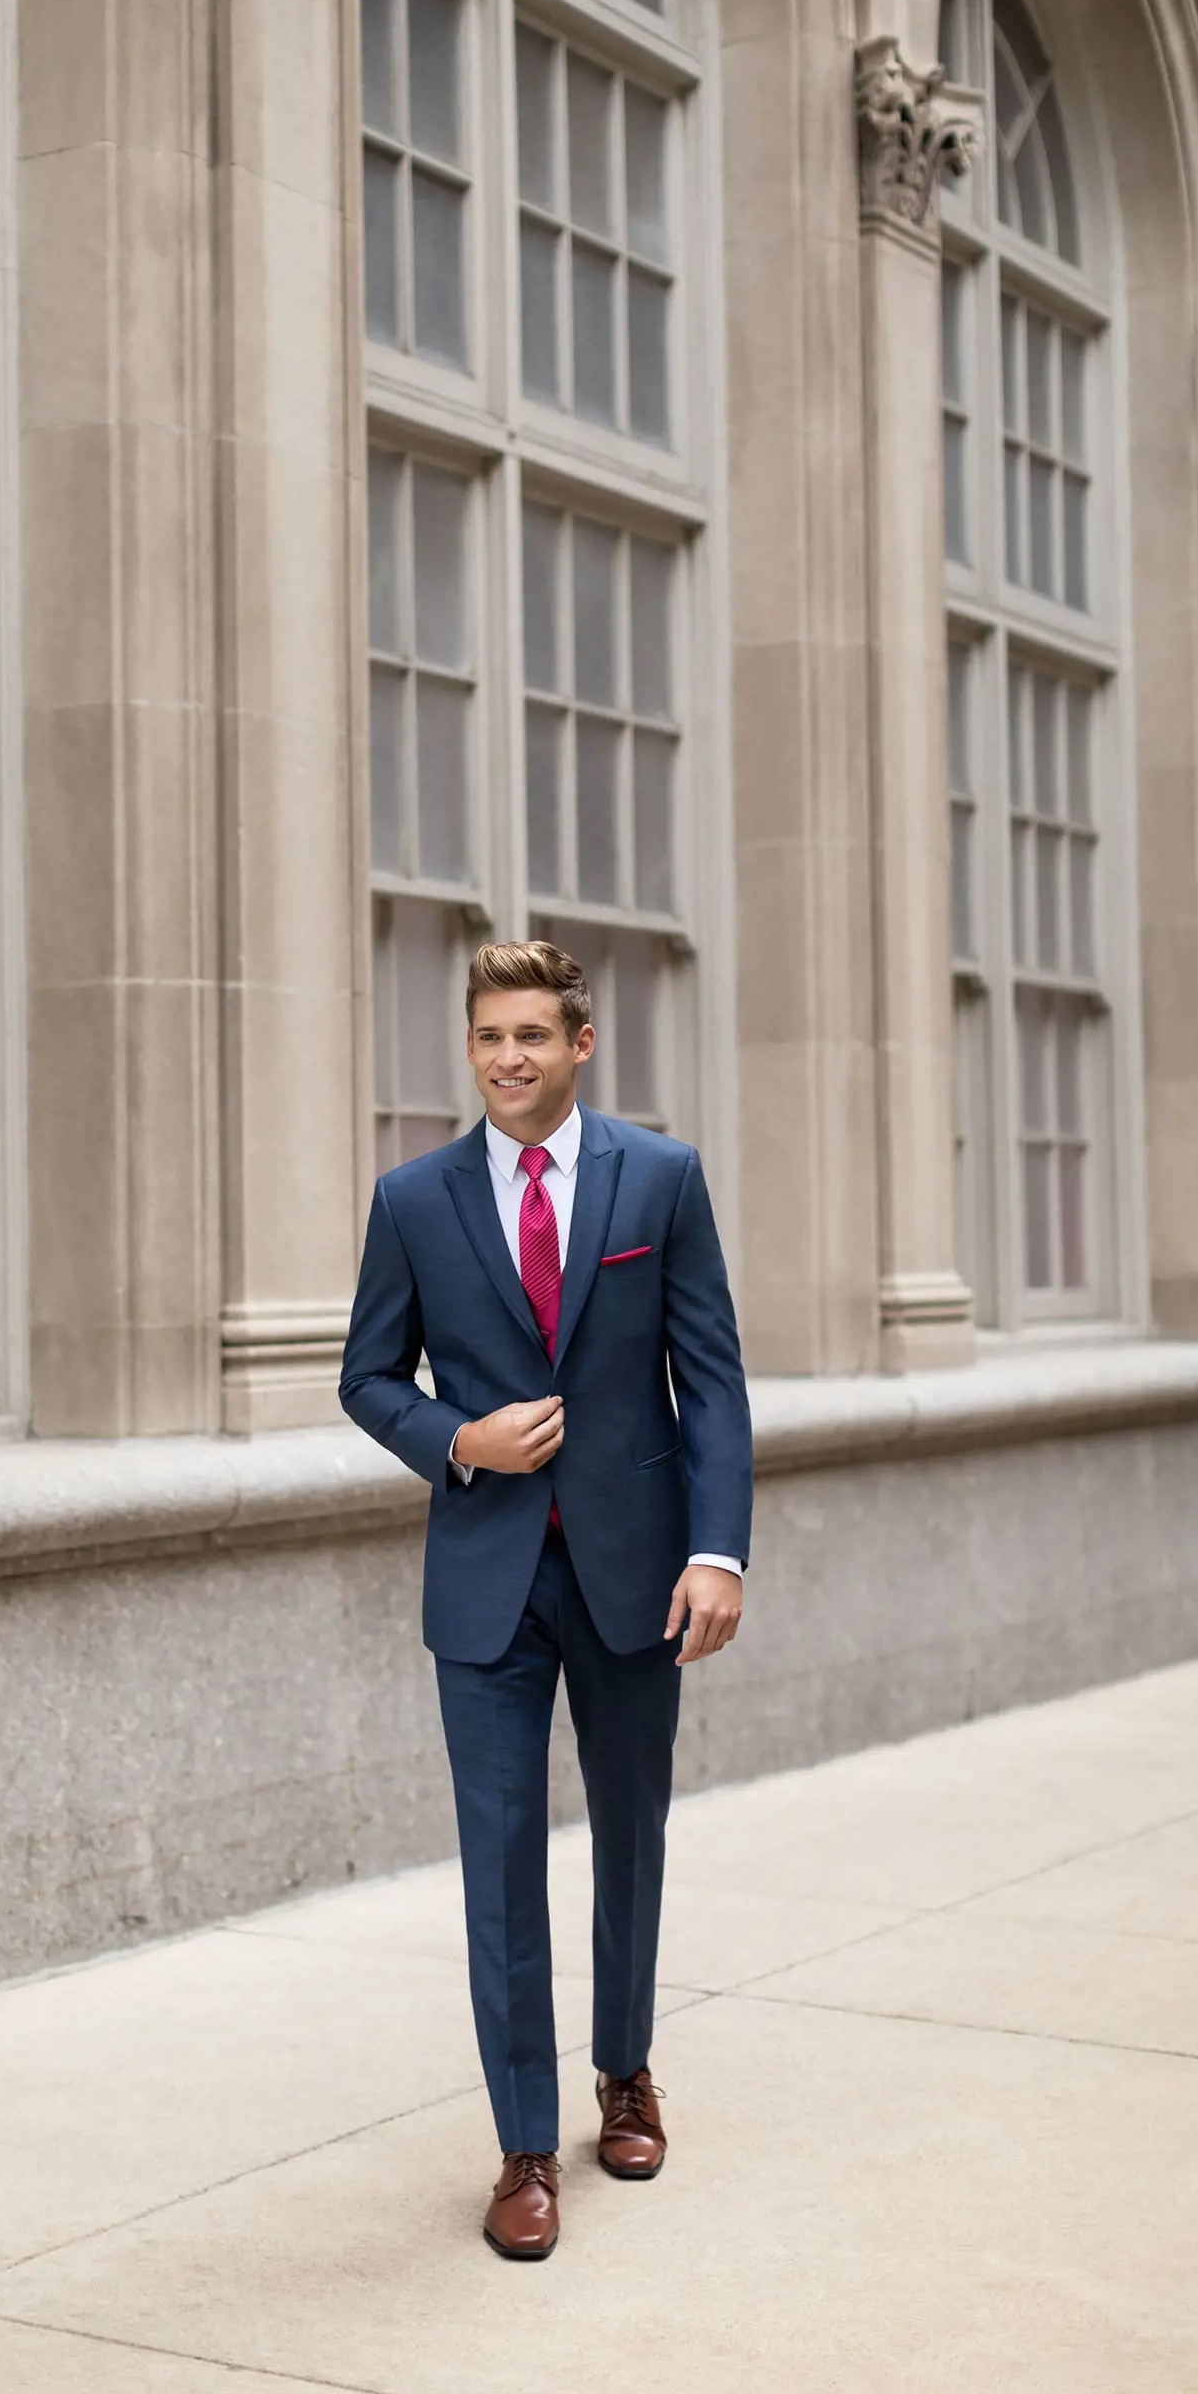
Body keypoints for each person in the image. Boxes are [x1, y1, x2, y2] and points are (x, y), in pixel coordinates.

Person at [339, 940, 754, 2259]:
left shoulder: (662, 1178)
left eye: (530, 1035)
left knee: (631, 1834)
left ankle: (622, 2070)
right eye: (485, 1037)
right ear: (469, 1050)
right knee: (499, 1866)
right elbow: (367, 1378)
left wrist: (718, 1552)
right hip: (485, 1582)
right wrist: (461, 1441)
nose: (507, 1057)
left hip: (637, 1574)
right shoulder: (412, 1198)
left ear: (580, 1045)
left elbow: (714, 1383)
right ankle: (523, 2147)